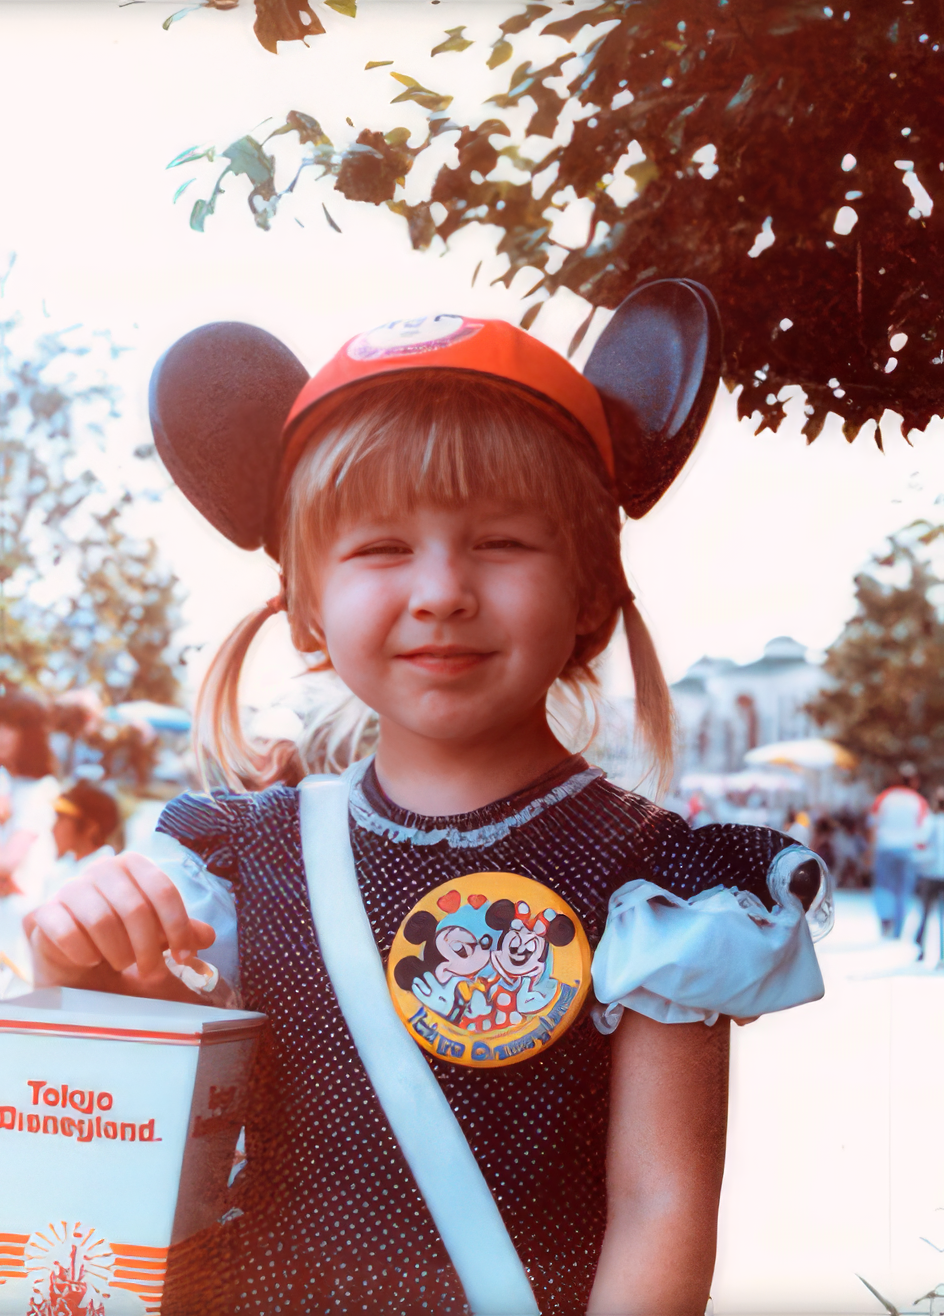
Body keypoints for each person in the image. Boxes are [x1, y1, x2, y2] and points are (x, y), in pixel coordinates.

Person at [25, 292, 831, 1316]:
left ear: (590, 591)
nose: (442, 588)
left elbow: (657, 1200)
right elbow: (144, 1128)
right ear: (305, 603)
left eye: (499, 540)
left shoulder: (656, 890)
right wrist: (82, 970)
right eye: (380, 547)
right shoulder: (233, 858)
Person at [0, 689, 59, 989]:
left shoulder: (38, 791)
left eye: (7, 726)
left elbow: (9, 861)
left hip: (17, 916)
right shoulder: (10, 785)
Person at [869, 763, 928, 938]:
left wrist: (870, 850)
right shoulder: (918, 801)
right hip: (908, 850)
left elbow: (873, 824)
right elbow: (923, 829)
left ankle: (885, 921)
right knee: (903, 890)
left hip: (885, 848)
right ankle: (898, 928)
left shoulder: (885, 797)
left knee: (884, 887)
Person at [44, 780, 121, 901]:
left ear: (90, 827)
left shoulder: (102, 875)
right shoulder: (65, 864)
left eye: (62, 819)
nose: (54, 828)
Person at [915, 786, 944, 963]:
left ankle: (921, 947)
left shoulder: (931, 821)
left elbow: (920, 842)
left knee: (925, 912)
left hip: (931, 872)